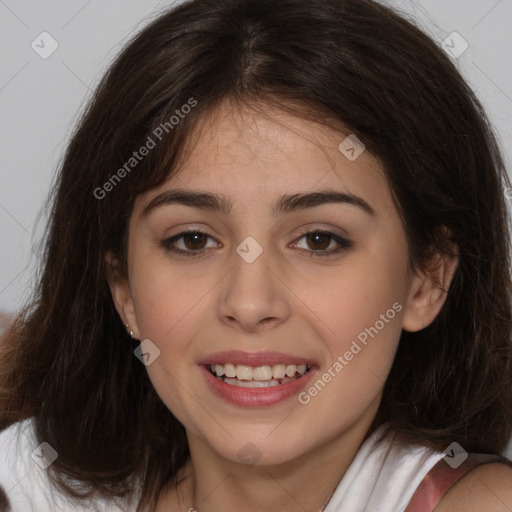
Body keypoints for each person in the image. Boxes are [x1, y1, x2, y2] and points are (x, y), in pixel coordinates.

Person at [1, 0, 512, 510]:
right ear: (123, 288)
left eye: (319, 240)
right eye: (193, 240)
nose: (249, 303)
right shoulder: (25, 486)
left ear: (427, 280)